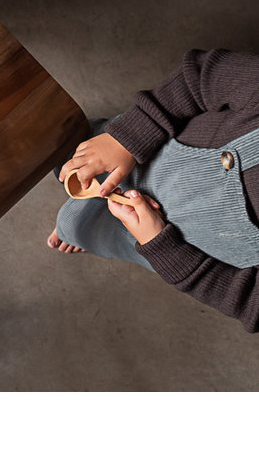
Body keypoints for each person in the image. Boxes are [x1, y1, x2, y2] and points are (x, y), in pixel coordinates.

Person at [49, 48, 259, 331]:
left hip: (173, 240)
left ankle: (81, 227)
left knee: (75, 225)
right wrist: (126, 139)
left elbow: (247, 301)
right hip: (155, 152)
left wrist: (158, 244)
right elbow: (201, 76)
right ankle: (103, 135)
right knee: (70, 151)